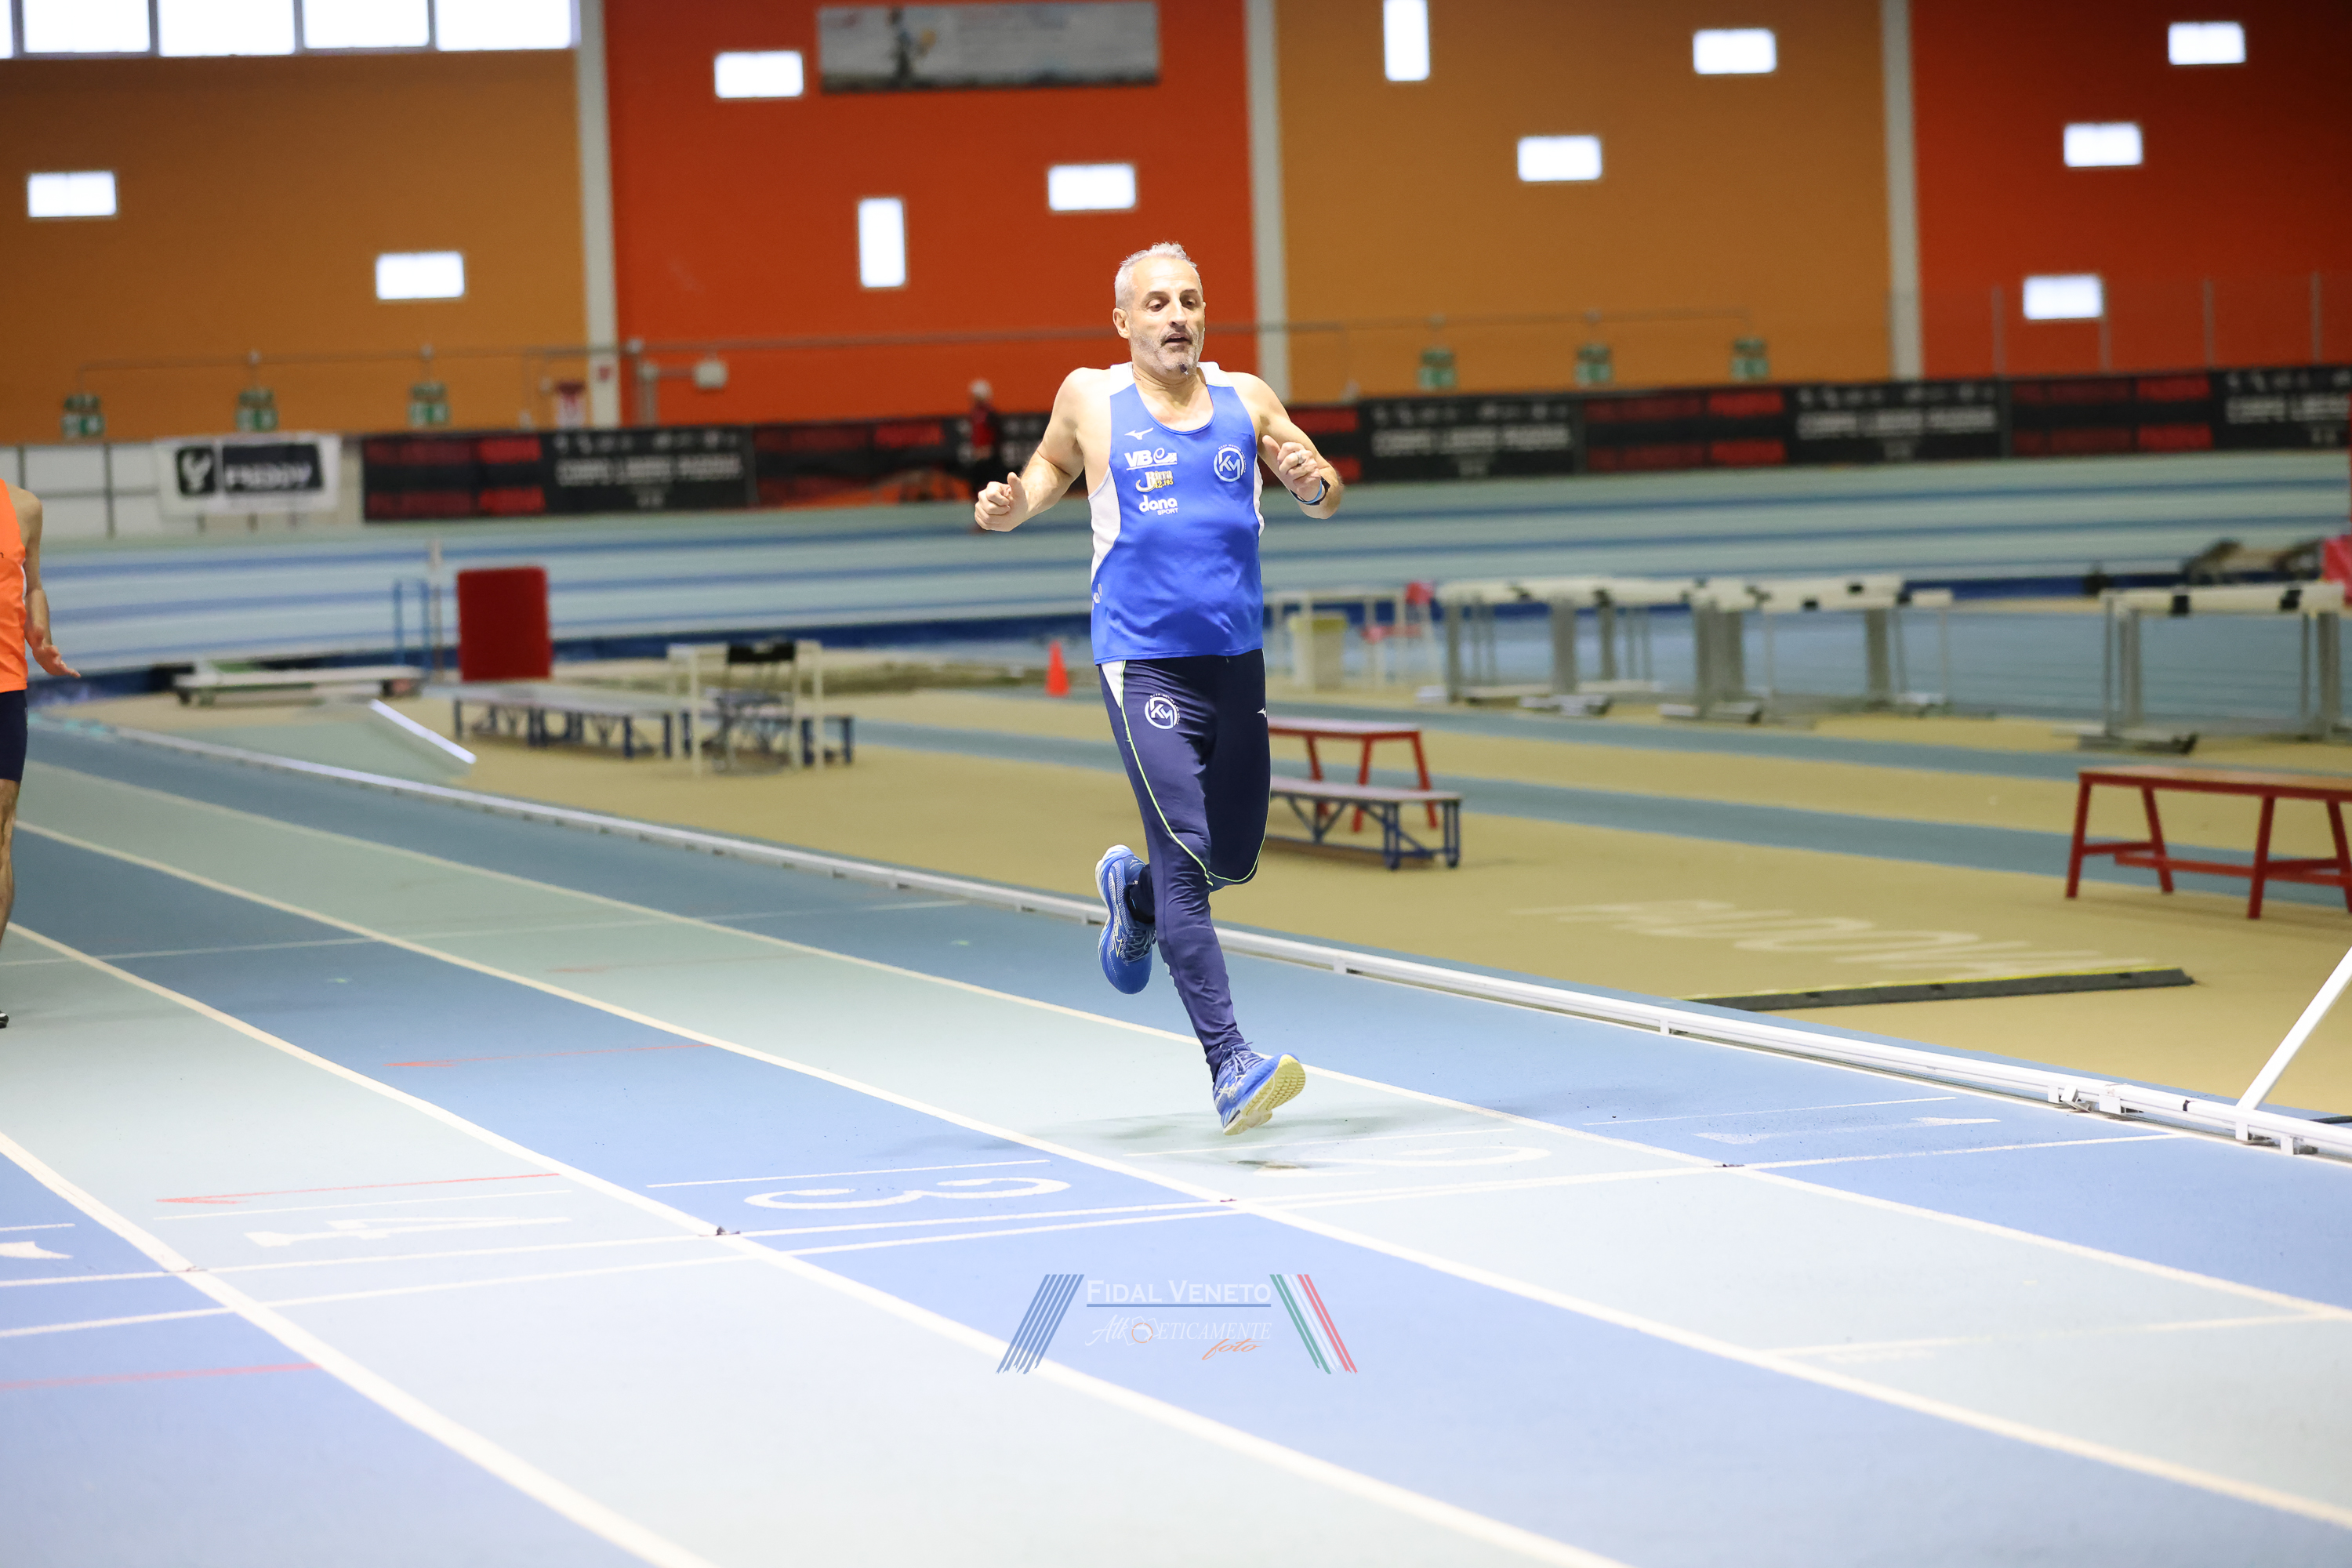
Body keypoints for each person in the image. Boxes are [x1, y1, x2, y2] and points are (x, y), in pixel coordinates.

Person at [973, 242, 1342, 1134]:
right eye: (1159, 303)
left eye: (1191, 301)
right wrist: (1016, 505)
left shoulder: (1248, 398)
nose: (1178, 316)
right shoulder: (1090, 399)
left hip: (1236, 660)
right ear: (1124, 322)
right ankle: (1230, 1064)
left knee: (1235, 856)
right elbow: (1050, 470)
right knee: (1186, 852)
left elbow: (1324, 489)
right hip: (1143, 663)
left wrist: (1311, 483)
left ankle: (1132, 899)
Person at [0, 480, 79, 1026]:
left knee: (1, 834)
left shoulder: (24, 507)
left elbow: (34, 586)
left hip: (5, 688)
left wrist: (40, 633)